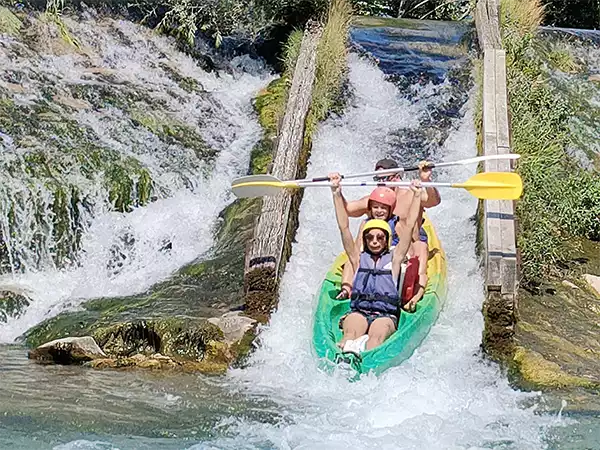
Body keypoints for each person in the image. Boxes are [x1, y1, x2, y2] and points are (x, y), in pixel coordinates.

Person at [330, 173, 425, 352]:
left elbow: (411, 223)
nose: (374, 241)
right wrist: (336, 192)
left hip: (385, 314)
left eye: (379, 237)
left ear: (386, 239)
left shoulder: (395, 259)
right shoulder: (358, 258)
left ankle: (366, 365)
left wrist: (417, 195)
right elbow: (343, 227)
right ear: (365, 239)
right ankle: (343, 360)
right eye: (370, 237)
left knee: (376, 339)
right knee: (349, 335)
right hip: (359, 311)